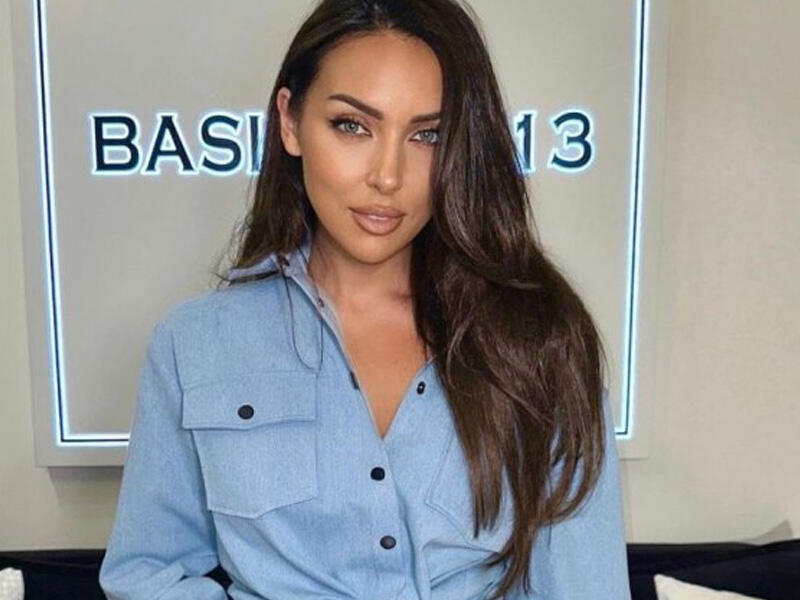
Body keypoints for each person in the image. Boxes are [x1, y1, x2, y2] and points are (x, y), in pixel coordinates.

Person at [99, 0, 631, 598]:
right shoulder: (195, 344)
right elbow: (148, 572)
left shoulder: (540, 339)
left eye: (427, 135)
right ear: (291, 122)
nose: (387, 175)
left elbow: (587, 587)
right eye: (352, 125)